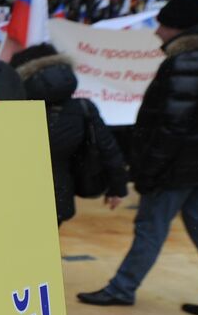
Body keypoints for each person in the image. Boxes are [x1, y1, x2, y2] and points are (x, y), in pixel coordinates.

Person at [78, 0, 198, 315]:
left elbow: (173, 124)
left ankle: (121, 288)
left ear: (181, 28)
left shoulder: (188, 61)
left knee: (150, 226)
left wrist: (149, 169)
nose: (157, 32)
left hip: (178, 165)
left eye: (163, 25)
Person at [11, 44, 127, 224]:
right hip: (60, 196)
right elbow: (108, 149)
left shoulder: (12, 107)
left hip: (19, 196)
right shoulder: (82, 107)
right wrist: (118, 187)